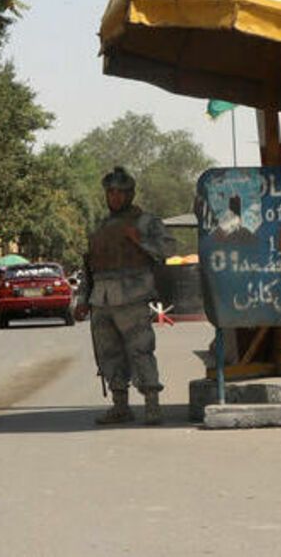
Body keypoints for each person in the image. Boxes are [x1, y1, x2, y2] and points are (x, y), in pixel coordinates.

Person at [75, 166, 175, 425]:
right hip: (102, 298)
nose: (115, 197)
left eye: (121, 192)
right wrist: (83, 299)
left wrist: (140, 239)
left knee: (141, 350)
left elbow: (167, 248)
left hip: (133, 296)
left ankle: (152, 405)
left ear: (130, 194)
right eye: (111, 192)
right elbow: (90, 265)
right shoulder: (101, 226)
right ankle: (120, 405)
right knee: (108, 353)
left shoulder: (146, 222)